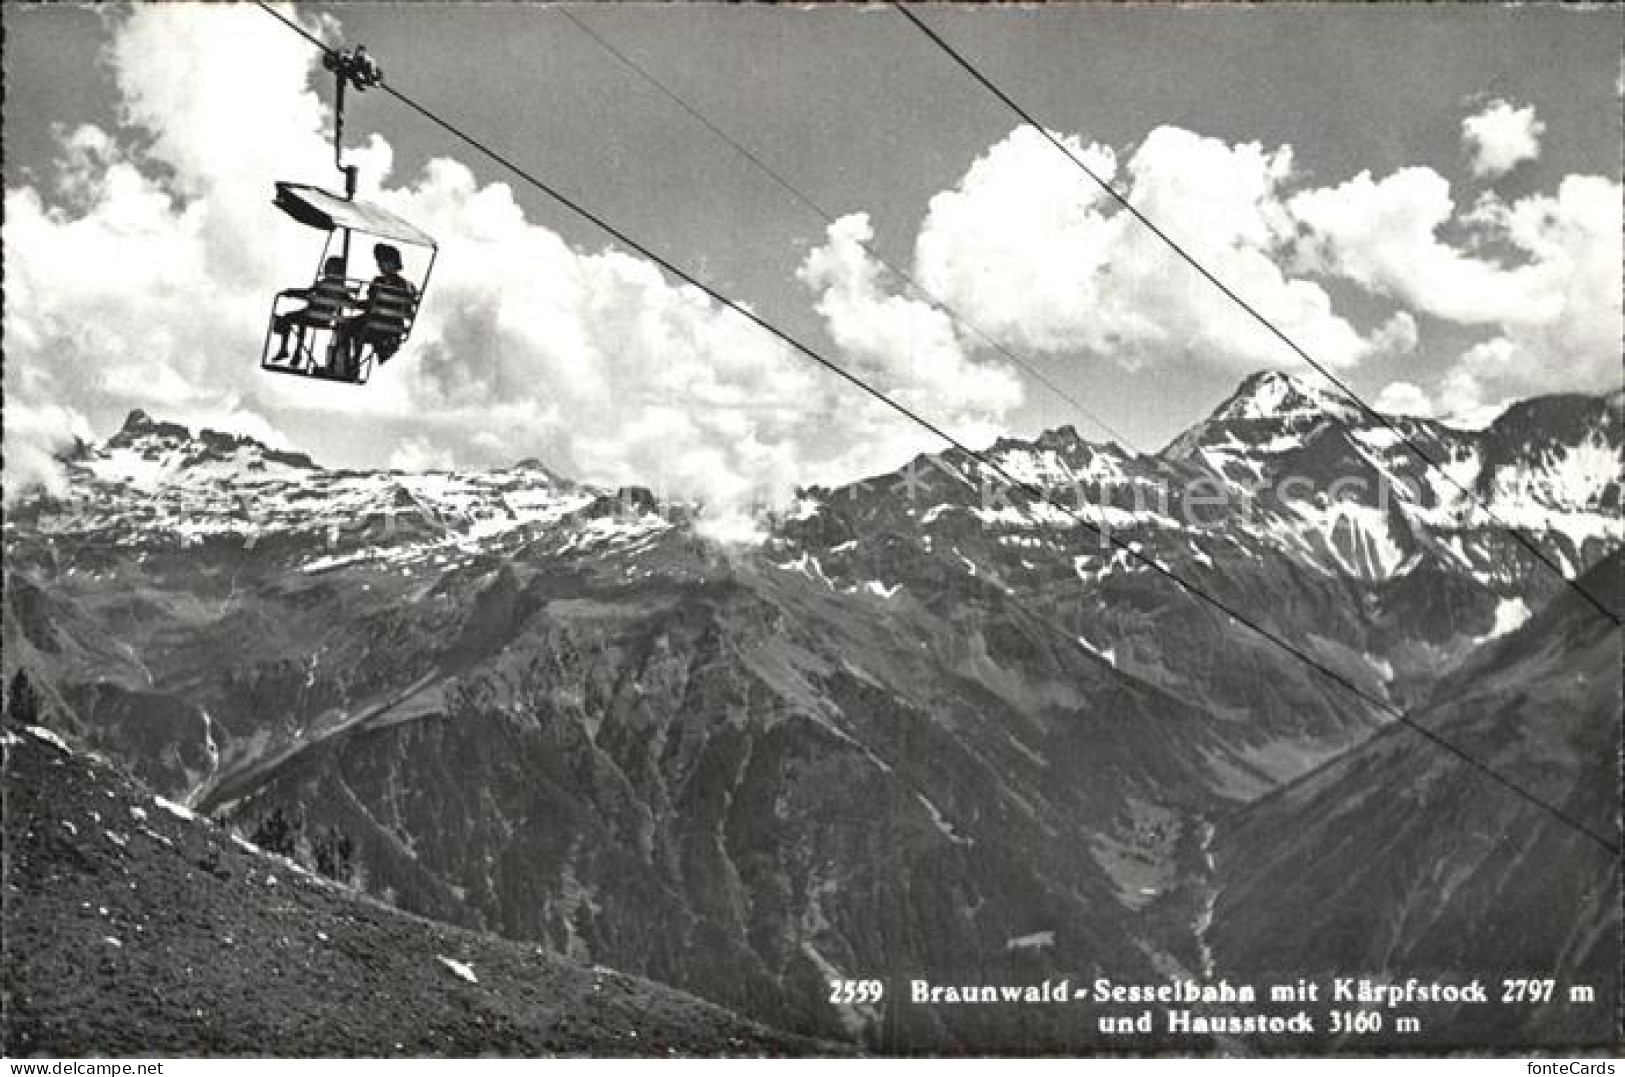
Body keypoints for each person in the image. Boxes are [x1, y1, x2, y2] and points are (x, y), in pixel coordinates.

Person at [333, 243, 418, 376]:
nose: (379, 265)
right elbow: (407, 309)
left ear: (392, 263)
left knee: (345, 326)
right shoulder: (407, 285)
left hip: (375, 326)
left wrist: (352, 303)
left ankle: (350, 364)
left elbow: (370, 306)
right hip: (393, 329)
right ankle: (352, 364)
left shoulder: (378, 282)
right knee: (356, 327)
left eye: (381, 262)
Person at [270, 256, 354, 366]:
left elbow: (307, 292)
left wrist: (291, 292)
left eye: (327, 267)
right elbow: (351, 303)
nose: (325, 269)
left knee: (288, 317)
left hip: (312, 317)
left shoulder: (324, 283)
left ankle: (286, 350)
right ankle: (297, 353)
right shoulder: (341, 288)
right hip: (324, 320)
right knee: (301, 319)